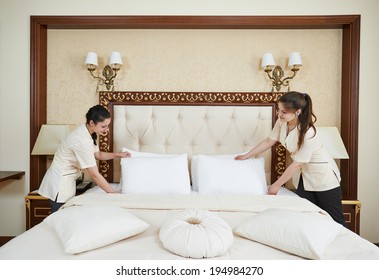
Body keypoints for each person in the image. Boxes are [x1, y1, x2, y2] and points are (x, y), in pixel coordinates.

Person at [235, 91, 346, 226]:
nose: (279, 114)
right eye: (279, 110)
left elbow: (297, 164)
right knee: (307, 218)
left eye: (284, 112)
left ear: (298, 112)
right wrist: (247, 155)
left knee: (335, 220)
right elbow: (269, 141)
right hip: (304, 178)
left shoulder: (308, 132)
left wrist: (276, 185)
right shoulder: (282, 122)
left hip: (323, 178)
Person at [38, 105, 131, 212]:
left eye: (107, 126)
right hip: (59, 184)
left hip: (66, 182)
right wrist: (113, 193)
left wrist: (118, 155)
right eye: (103, 126)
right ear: (92, 123)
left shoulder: (87, 132)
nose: (107, 129)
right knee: (59, 221)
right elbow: (94, 175)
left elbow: (98, 154)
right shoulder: (82, 140)